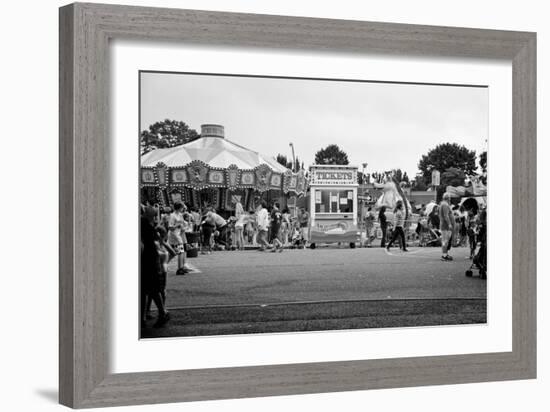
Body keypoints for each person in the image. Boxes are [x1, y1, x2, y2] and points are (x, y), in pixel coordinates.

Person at [140, 206, 170, 328]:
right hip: (151, 258)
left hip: (146, 259)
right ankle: (157, 313)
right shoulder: (149, 225)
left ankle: (153, 315)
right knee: (151, 289)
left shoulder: (143, 224)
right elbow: (158, 238)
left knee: (146, 289)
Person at [168, 202, 189, 275]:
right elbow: (170, 227)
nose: (183, 208)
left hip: (179, 235)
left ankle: (181, 267)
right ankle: (180, 268)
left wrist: (184, 227)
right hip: (174, 235)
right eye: (182, 207)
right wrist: (177, 225)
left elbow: (182, 224)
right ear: (179, 208)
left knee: (175, 252)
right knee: (180, 251)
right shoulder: (172, 216)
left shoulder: (180, 215)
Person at [439, 192, 455, 261]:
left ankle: (445, 254)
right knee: (445, 241)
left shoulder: (444, 204)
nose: (450, 199)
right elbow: (446, 215)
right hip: (445, 226)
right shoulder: (445, 204)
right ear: (448, 198)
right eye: (450, 198)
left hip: (445, 225)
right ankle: (444, 255)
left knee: (446, 241)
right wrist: (449, 224)